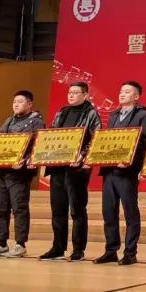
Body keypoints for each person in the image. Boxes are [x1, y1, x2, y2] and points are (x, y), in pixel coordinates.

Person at [40, 81, 102, 261]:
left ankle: (78, 249)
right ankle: (58, 248)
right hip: (57, 167)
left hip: (77, 169)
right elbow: (51, 137)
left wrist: (82, 156)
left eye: (76, 92)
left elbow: (96, 138)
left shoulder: (91, 113)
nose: (71, 95)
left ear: (85, 95)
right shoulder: (62, 112)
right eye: (69, 92)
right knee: (58, 210)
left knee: (77, 210)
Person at [94, 81, 146, 266]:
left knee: (130, 211)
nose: (122, 94)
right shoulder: (113, 115)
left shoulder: (143, 115)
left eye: (127, 92)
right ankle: (111, 250)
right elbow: (107, 141)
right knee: (108, 212)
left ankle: (130, 252)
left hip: (127, 171)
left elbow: (143, 142)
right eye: (121, 91)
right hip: (109, 170)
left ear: (136, 96)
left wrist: (128, 159)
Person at [0, 90, 44, 259]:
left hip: (19, 173)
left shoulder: (36, 122)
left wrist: (24, 162)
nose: (16, 104)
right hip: (1, 171)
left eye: (20, 101)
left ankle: (20, 244)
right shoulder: (9, 120)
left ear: (29, 104)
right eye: (14, 102)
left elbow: (38, 147)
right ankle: (1, 243)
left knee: (19, 208)